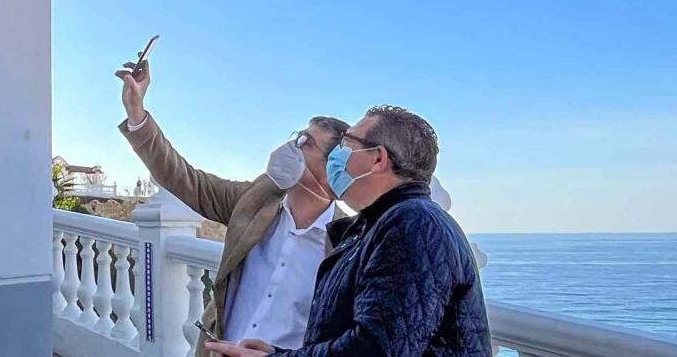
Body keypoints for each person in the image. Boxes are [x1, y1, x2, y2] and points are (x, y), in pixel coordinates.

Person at [206, 106, 491, 357]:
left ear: (377, 158)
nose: (336, 157)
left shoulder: (413, 224)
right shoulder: (374, 226)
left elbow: (376, 349)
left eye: (346, 144)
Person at [114, 57, 350, 355]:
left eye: (307, 142)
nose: (294, 147)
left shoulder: (349, 242)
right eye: (297, 136)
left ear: (332, 168)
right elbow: (187, 180)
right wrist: (136, 112)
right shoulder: (256, 200)